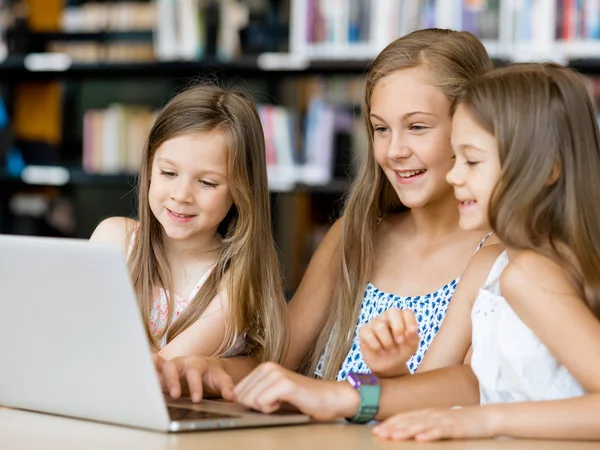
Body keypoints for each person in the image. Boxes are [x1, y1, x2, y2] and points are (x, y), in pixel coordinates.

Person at [157, 28, 501, 404]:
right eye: (380, 129)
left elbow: (466, 391)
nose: (395, 150)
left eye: (417, 127)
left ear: (471, 128)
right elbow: (275, 359)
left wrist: (332, 394)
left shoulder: (497, 258)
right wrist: (213, 370)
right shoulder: (353, 237)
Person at [372, 63, 600, 441]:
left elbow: (488, 407)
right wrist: (393, 372)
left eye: (472, 161)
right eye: (456, 158)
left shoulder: (528, 275)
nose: (453, 176)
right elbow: (470, 389)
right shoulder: (500, 265)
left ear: (548, 169)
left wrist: (486, 419)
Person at [90, 85, 288, 387]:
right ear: (150, 169)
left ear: (240, 191)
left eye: (207, 183)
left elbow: (157, 377)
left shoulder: (238, 281)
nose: (182, 195)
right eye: (169, 173)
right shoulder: (114, 239)